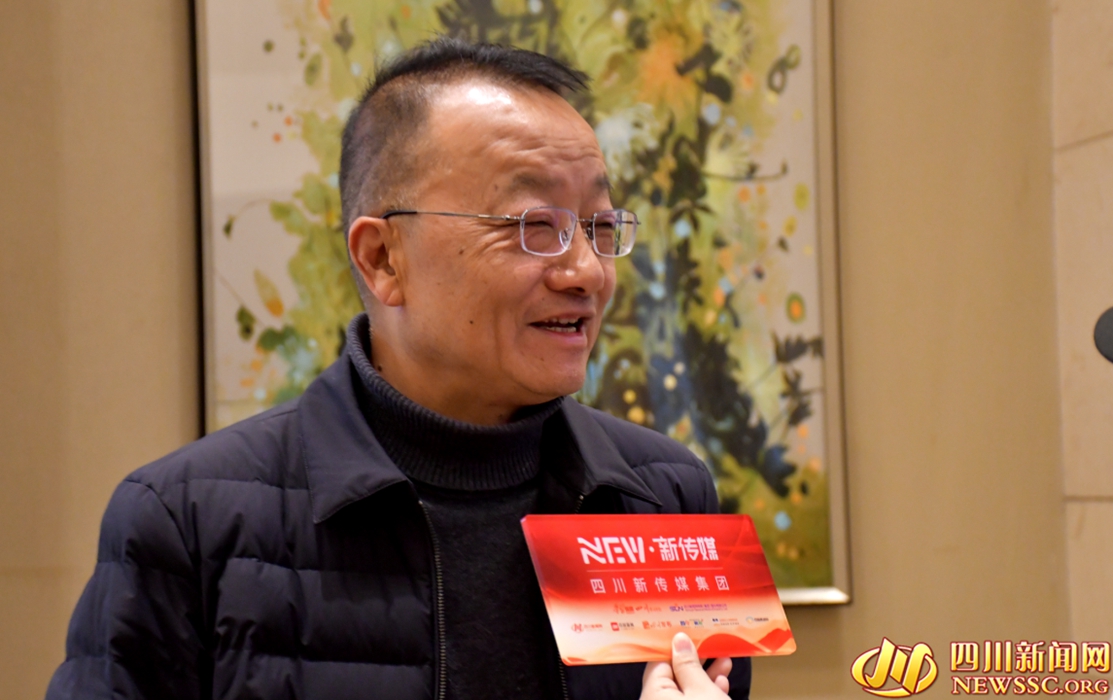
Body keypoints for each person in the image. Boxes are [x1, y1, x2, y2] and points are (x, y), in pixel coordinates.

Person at [47, 38, 752, 700]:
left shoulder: (665, 495)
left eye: (598, 226)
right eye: (534, 227)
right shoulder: (185, 521)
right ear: (383, 258)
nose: (586, 272)